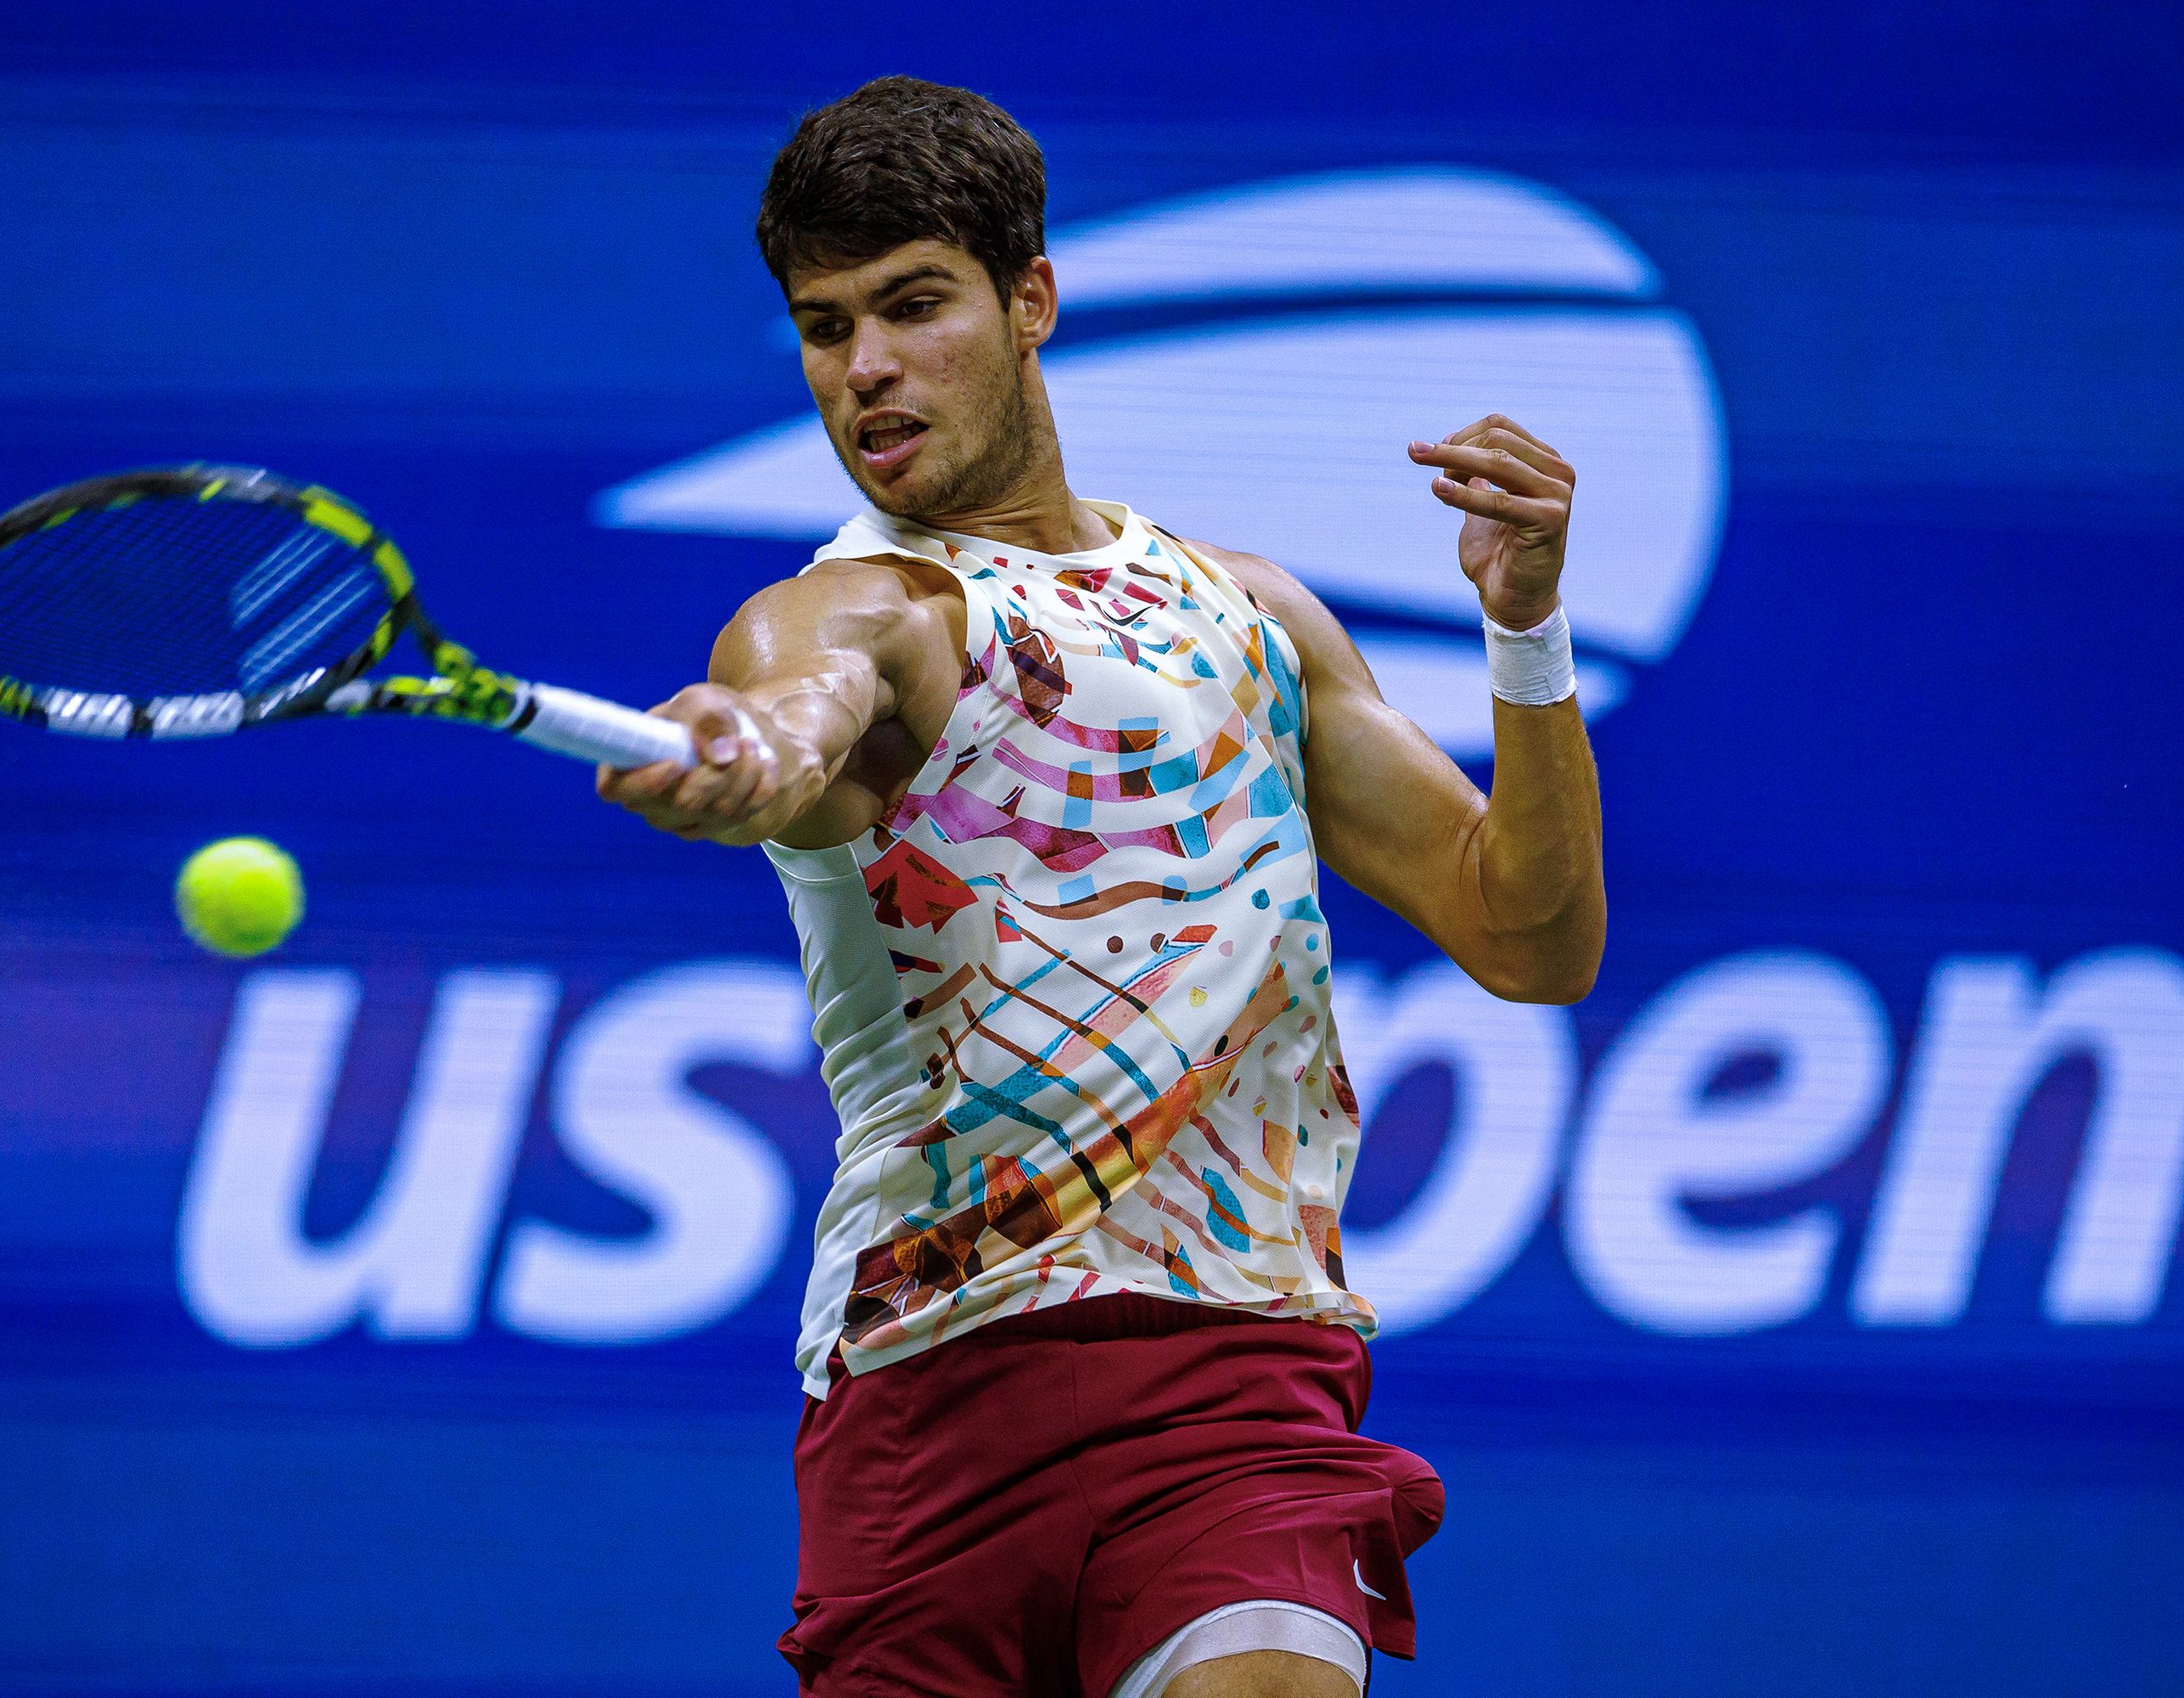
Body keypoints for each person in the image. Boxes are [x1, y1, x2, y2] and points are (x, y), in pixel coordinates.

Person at [602, 76, 1604, 1698]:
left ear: (1032, 303)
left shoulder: (1253, 621)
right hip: (933, 1403)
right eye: (822, 326)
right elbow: (802, 707)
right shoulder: (852, 612)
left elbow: (1533, 937)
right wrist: (754, 748)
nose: (864, 369)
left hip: (1237, 1384)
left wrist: (1527, 634)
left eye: (913, 306)